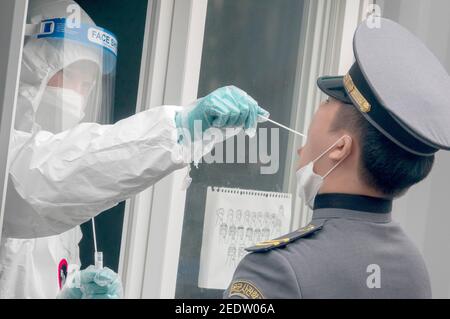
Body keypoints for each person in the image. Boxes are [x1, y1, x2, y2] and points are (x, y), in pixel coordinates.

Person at [0, 0, 269, 298]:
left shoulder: (64, 204)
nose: (79, 94)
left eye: (87, 84)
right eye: (70, 75)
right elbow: (43, 177)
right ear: (28, 70)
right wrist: (178, 128)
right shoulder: (18, 163)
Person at [225, 18, 450, 299]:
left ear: (340, 148)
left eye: (328, 101)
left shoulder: (276, 269)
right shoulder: (412, 266)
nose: (300, 148)